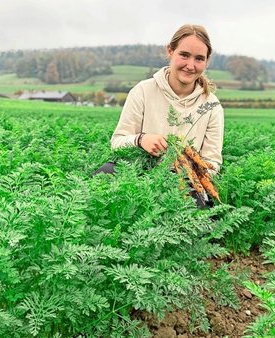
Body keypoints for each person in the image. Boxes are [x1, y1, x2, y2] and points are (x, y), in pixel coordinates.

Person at [94, 24, 224, 207]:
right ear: (170, 51)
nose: (190, 65)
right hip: (139, 173)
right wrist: (141, 140)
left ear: (207, 62)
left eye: (199, 59)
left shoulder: (211, 106)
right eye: (184, 55)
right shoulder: (143, 91)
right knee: (104, 174)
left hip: (184, 182)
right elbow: (117, 142)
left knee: (203, 215)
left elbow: (212, 162)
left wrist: (187, 174)